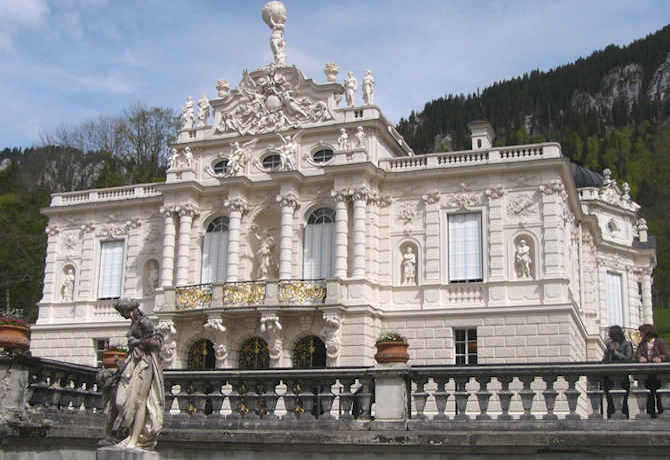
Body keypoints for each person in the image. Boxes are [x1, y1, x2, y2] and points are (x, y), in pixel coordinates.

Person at [112, 299, 164, 450]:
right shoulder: (134, 322)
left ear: (130, 311)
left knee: (140, 402)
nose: (123, 317)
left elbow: (157, 343)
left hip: (144, 363)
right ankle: (131, 435)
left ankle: (134, 439)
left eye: (123, 313)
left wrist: (136, 341)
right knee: (122, 400)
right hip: (133, 362)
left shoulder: (145, 322)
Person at [635, 324, 668, 417]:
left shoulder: (660, 342)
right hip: (647, 374)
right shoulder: (642, 344)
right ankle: (651, 415)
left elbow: (666, 354)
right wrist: (640, 357)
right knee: (649, 397)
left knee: (660, 396)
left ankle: (662, 414)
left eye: (641, 332)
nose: (640, 334)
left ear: (647, 332)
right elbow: (637, 355)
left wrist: (660, 358)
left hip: (659, 374)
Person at [601, 325, 633, 418]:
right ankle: (610, 420)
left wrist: (615, 352)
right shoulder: (609, 345)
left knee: (623, 402)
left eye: (612, 335)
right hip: (608, 377)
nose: (611, 338)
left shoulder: (627, 344)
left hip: (622, 377)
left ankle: (624, 421)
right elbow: (605, 361)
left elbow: (628, 359)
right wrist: (608, 354)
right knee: (609, 401)